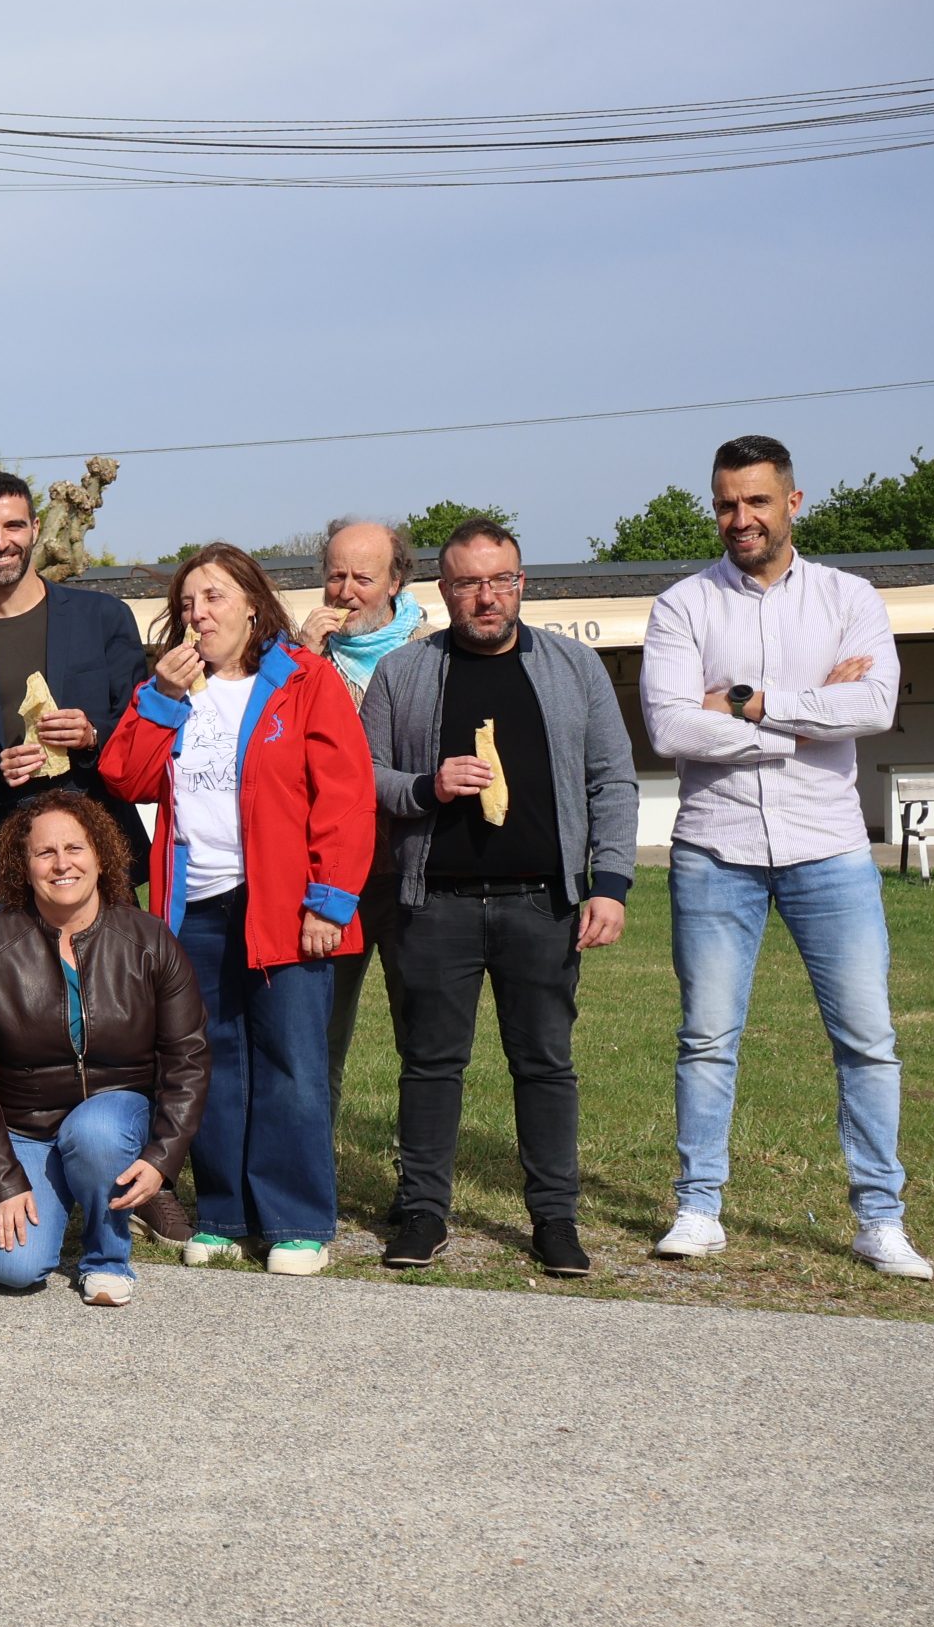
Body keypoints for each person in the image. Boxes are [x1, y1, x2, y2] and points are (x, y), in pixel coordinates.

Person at [640, 435, 929, 1280]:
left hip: (830, 850)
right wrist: (807, 720)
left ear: (792, 503)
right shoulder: (682, 605)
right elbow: (668, 730)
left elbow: (874, 704)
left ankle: (881, 1219)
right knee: (706, 1038)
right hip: (714, 850)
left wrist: (746, 704)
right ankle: (699, 1208)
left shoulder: (850, 597)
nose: (742, 518)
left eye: (757, 501)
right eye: (728, 503)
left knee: (868, 1040)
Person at [359, 518, 636, 1278]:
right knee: (429, 1065)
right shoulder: (403, 674)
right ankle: (422, 1212)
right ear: (443, 591)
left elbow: (613, 780)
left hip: (541, 903)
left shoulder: (574, 668)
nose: (487, 596)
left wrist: (607, 885)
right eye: (469, 583)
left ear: (522, 583)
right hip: (435, 903)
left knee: (545, 1064)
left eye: (501, 579)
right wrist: (427, 786)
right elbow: (365, 778)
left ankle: (555, 1218)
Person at [101, 544, 374, 1275]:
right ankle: (223, 1212)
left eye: (215, 597)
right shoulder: (168, 688)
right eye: (189, 603)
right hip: (197, 907)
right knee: (210, 1062)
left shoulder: (303, 679)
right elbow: (124, 777)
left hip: (287, 906)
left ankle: (296, 1222)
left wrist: (331, 901)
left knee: (291, 1063)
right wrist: (157, 698)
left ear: (254, 603)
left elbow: (345, 797)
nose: (200, 614)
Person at [0, 793, 207, 1306]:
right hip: (27, 1130)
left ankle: (106, 1258)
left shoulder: (151, 942)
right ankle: (65, 1191)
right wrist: (2, 1181)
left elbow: (189, 1058)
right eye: (45, 853)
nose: (62, 863)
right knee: (14, 1269)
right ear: (23, 867)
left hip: (115, 1119)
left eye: (75, 847)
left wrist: (161, 1158)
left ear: (100, 855)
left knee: (94, 1131)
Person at [0, 470, 151, 926]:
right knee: (8, 993)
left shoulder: (103, 617)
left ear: (35, 530)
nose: (0, 542)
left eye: (13, 526)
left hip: (92, 838)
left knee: (109, 989)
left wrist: (91, 735)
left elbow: (139, 727)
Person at [298, 516, 430, 1107]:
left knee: (421, 1040)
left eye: (363, 578)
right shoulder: (301, 655)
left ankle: (419, 1183)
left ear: (397, 580)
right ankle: (313, 1178)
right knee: (316, 1040)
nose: (345, 592)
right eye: (335, 576)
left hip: (411, 873)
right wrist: (304, 658)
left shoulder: (431, 651)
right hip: (327, 879)